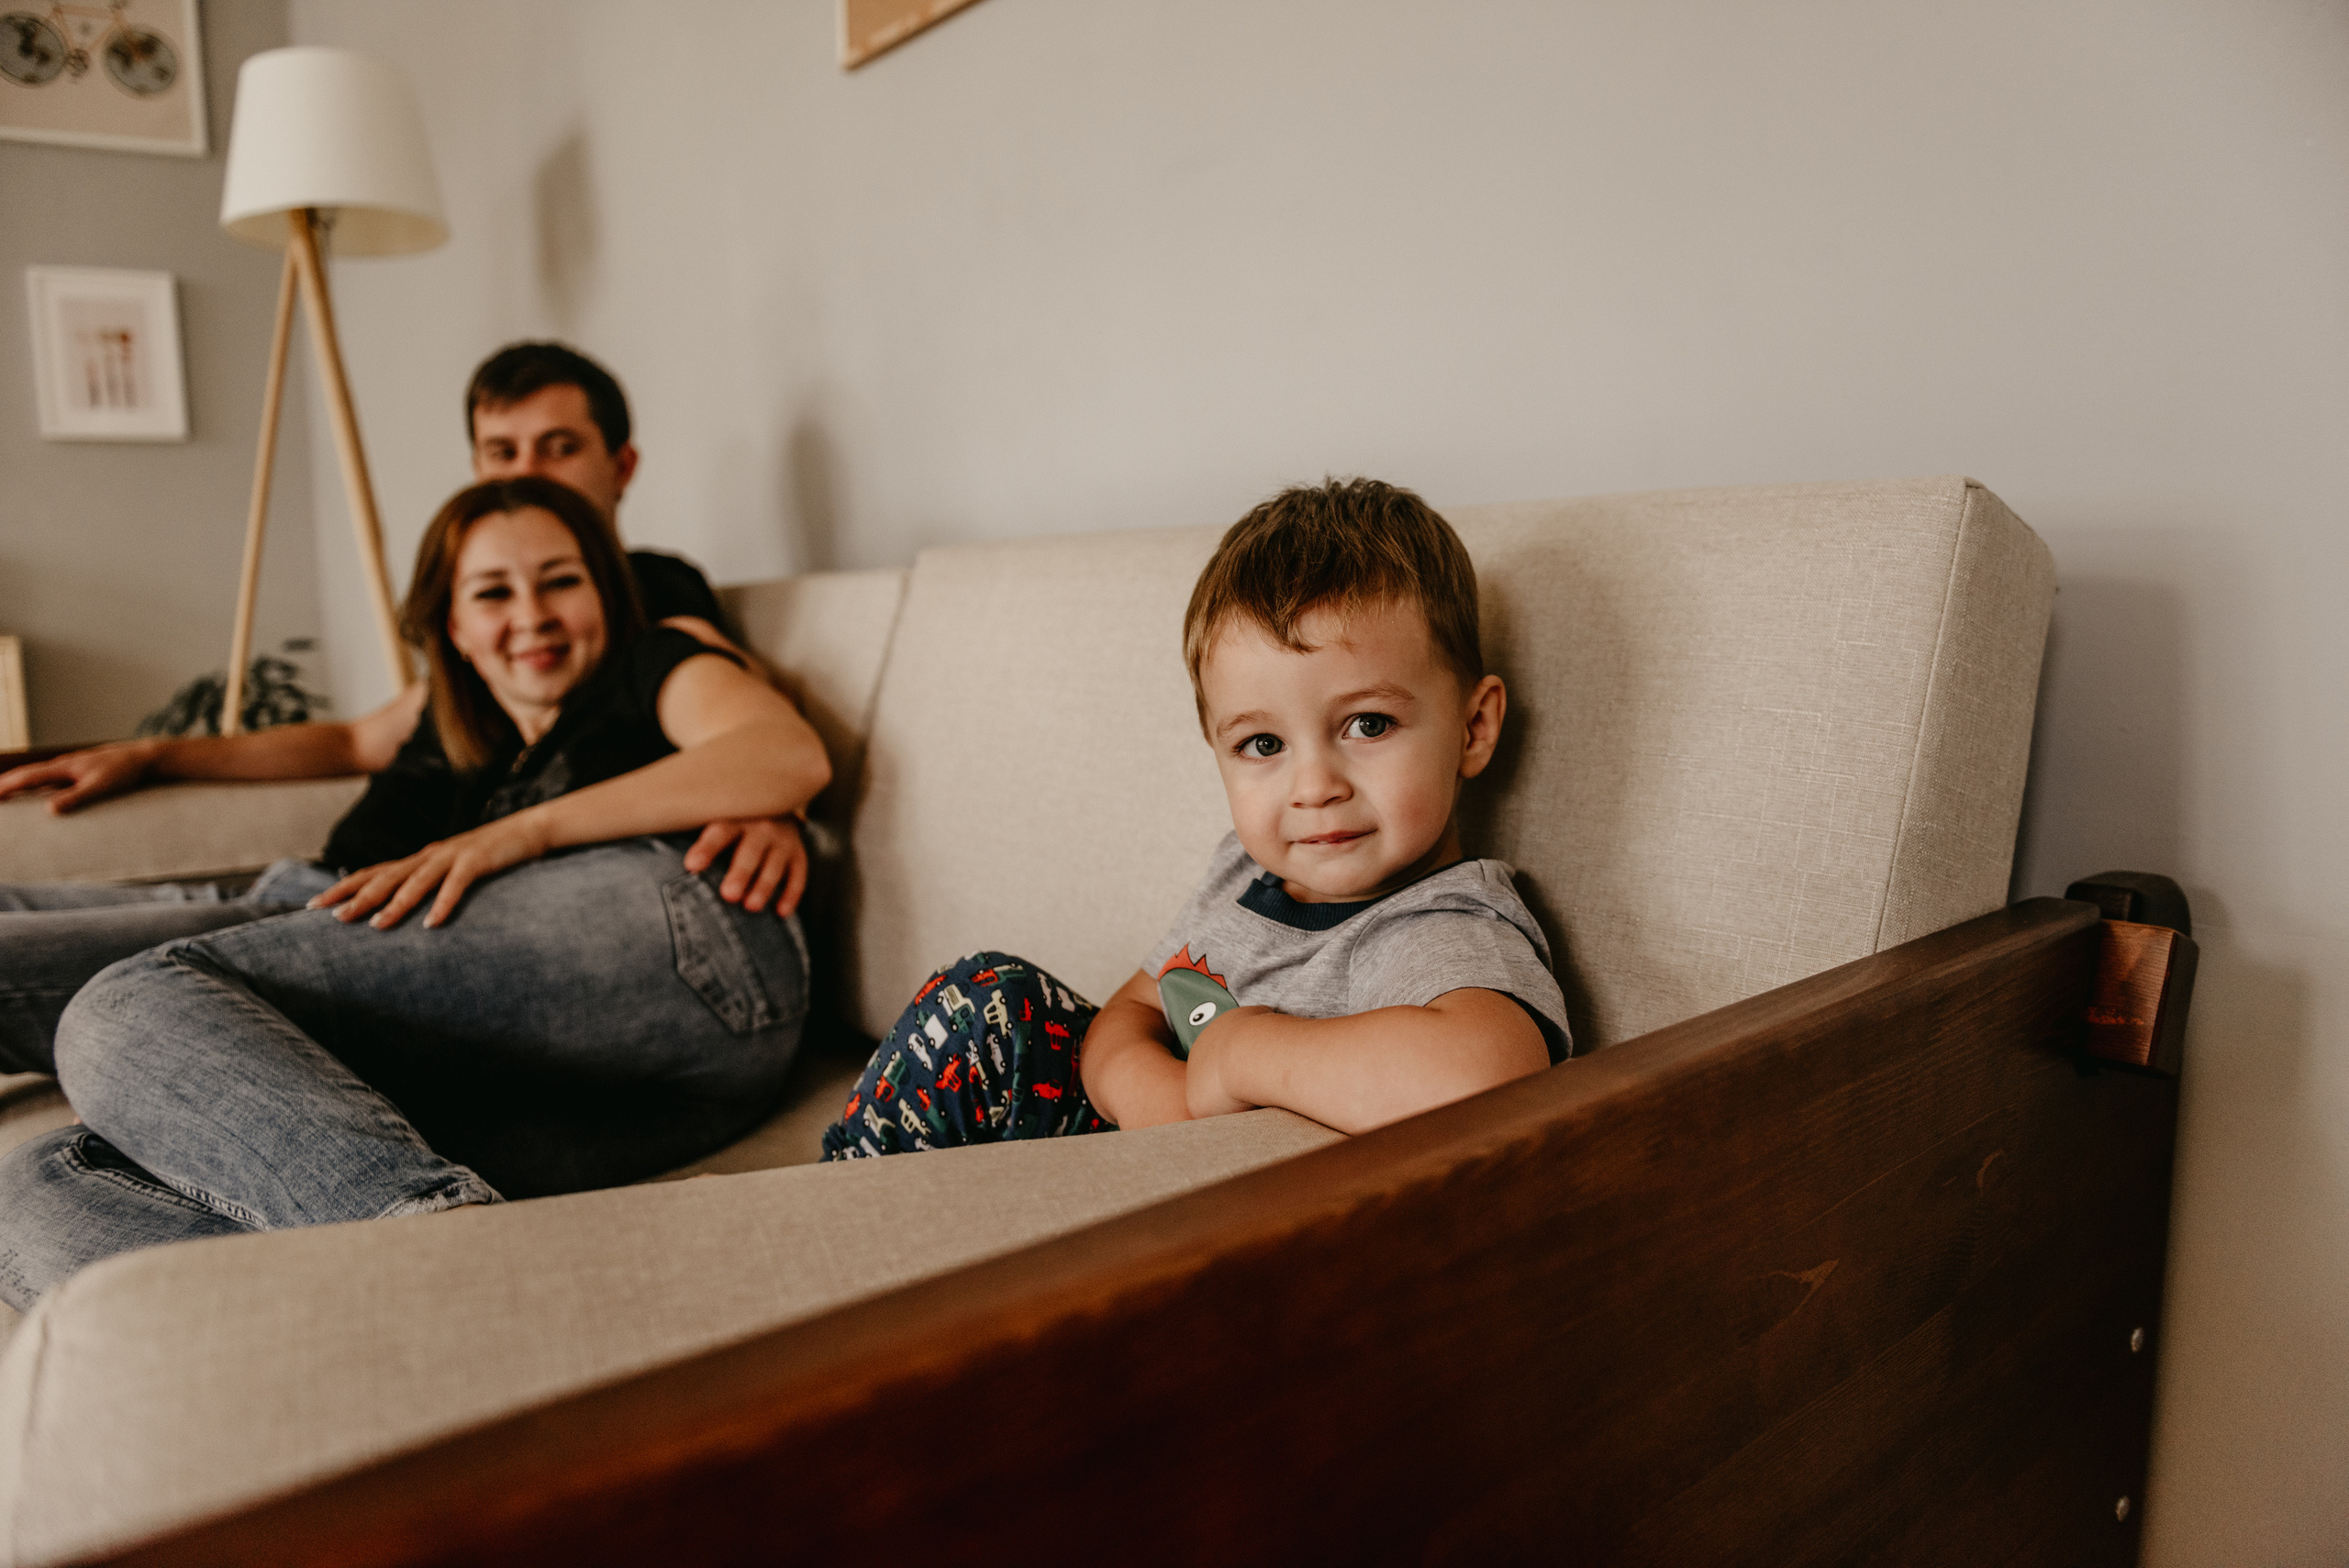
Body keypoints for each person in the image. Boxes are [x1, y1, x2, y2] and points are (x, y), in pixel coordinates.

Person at [0, 475, 830, 1308]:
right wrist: (153, 754)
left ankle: (455, 1280)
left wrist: (521, 834)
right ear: (456, 628)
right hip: (593, 1080)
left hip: (689, 933)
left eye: (562, 580)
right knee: (37, 1187)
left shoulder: (653, 662)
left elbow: (785, 754)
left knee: (121, 1007)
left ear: (607, 591)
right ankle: (415, 1354)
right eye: (494, 592)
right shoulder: (480, 734)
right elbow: (357, 738)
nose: (532, 614)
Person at [0, 343, 807, 1057]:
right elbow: (357, 741)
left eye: (558, 449)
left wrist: (772, 803)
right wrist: (155, 754)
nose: (526, 473)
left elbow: (746, 716)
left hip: (373, 921)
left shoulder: (641, 601)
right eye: (502, 451)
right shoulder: (487, 656)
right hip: (312, 885)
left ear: (619, 467)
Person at [818, 478, 1568, 1161]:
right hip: (1145, 1150)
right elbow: (1135, 1009)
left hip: (1237, 1214)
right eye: (1263, 744)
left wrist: (1246, 1052)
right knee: (991, 1002)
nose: (1314, 786)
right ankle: (840, 1201)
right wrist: (1173, 1104)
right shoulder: (1245, 873)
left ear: (1473, 728)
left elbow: (1484, 1075)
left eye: (1367, 725)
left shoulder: (1443, 925)